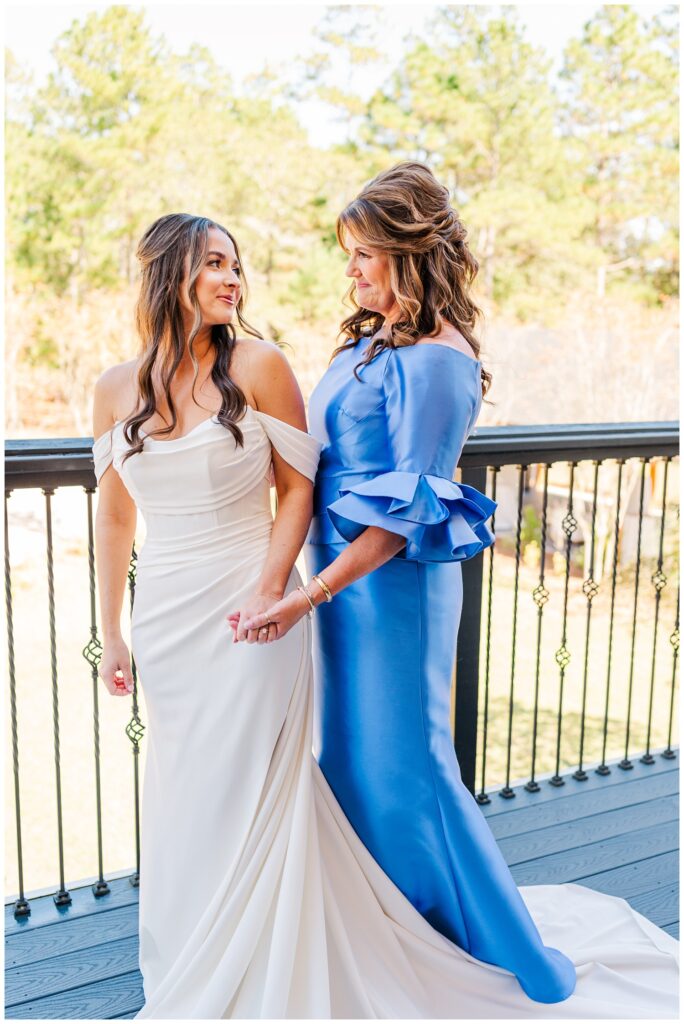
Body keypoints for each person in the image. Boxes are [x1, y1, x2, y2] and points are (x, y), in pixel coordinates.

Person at [95, 212, 677, 1019]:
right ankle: (224, 939)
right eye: (215, 263)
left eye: (363, 256)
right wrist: (114, 629)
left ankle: (498, 955)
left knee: (406, 775)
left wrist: (292, 590)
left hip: (351, 588)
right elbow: (118, 513)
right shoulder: (367, 344)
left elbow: (375, 494)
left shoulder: (384, 361)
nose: (350, 272)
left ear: (406, 256)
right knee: (322, 775)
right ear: (168, 273)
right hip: (246, 602)